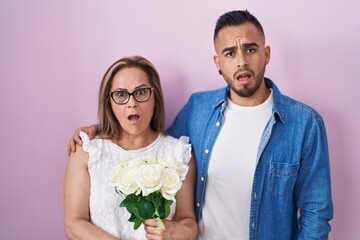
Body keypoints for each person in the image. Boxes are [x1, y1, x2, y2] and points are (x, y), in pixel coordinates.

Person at [67, 10, 333, 239]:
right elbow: (150, 144)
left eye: (250, 49)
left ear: (266, 54)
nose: (241, 61)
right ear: (218, 63)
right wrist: (99, 129)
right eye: (229, 53)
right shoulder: (198, 109)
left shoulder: (304, 124)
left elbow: (315, 214)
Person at [64, 55, 198, 240]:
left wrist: (185, 231)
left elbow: (187, 219)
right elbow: (74, 224)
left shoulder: (179, 153)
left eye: (141, 92)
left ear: (155, 97)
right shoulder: (86, 151)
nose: (131, 102)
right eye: (120, 94)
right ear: (109, 102)